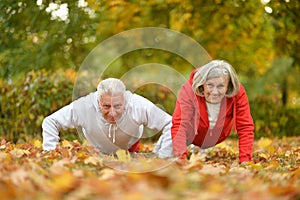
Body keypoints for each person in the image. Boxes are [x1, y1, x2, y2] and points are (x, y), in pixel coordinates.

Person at [42, 78, 173, 157]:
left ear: (125, 100)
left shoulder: (138, 105)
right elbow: (50, 121)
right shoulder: (84, 107)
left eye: (117, 106)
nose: (112, 113)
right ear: (98, 101)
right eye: (106, 106)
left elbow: (171, 123)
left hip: (130, 146)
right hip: (99, 149)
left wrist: (163, 155)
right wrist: (50, 152)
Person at [155, 60, 254, 163]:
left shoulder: (237, 92)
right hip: (188, 134)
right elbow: (180, 125)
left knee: (203, 160)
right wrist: (181, 160)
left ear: (228, 86)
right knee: (164, 159)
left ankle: (196, 150)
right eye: (210, 85)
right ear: (202, 84)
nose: (215, 92)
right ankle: (159, 150)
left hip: (214, 136)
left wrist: (245, 160)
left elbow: (245, 126)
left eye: (220, 86)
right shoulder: (188, 90)